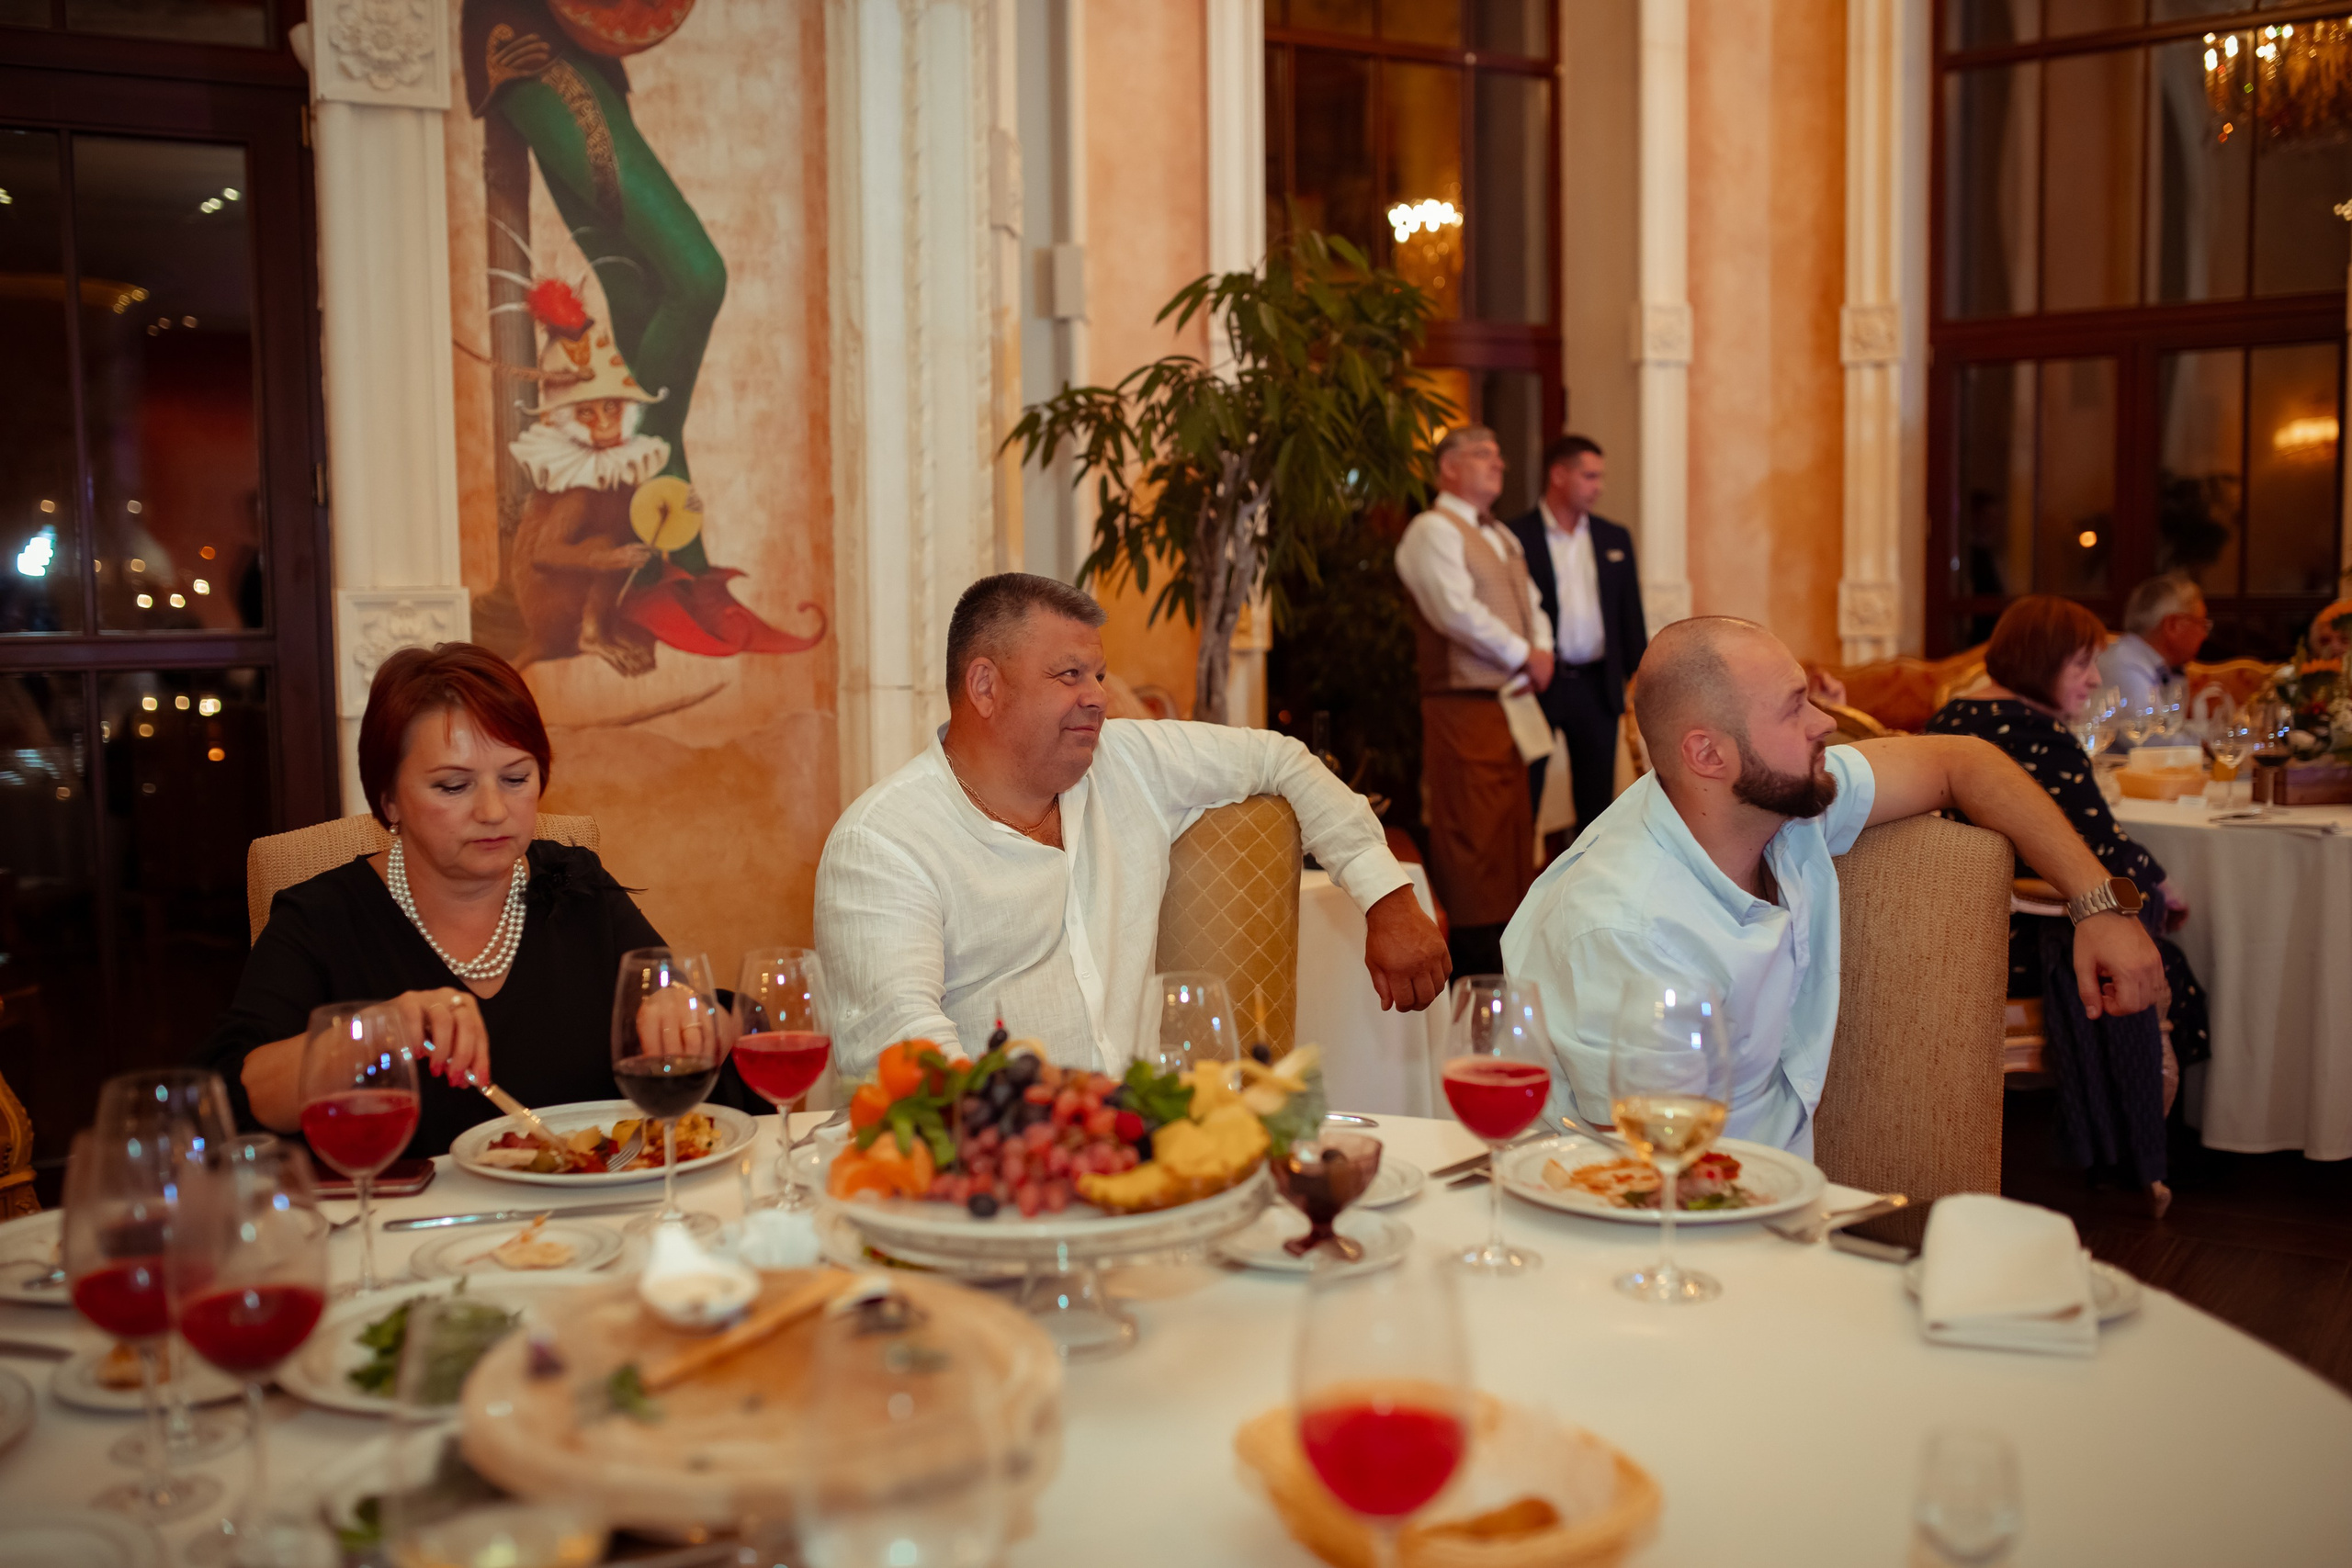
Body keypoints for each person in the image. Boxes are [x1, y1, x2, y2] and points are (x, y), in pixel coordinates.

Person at [1502, 615, 2165, 1157]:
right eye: (1794, 708)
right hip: (1662, 1234)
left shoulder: (1776, 807)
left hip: (1771, 1201)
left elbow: (1962, 760)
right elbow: (1647, 1180)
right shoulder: (1625, 927)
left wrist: (2097, 904)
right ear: (1708, 754)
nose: (1824, 721)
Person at [814, 573, 1450, 1077]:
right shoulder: (884, 843)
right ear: (985, 686)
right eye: (1069, 675)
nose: (1097, 695)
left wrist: (1386, 896)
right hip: (981, 1167)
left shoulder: (1127, 761)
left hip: (1137, 1147)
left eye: (1097, 674)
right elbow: (904, 1054)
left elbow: (1281, 759)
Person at [199, 643, 738, 1158]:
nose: (493, 811)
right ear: (389, 799)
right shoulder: (322, 917)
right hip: (405, 1219)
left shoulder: (576, 886)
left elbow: (718, 1021)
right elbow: (232, 1092)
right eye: (453, 787)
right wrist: (378, 1031)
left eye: (516, 778)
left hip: (587, 1211)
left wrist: (696, 1018)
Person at [1928, 596, 2211, 1213]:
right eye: (2081, 663)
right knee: (2170, 970)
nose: (2093, 678)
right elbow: (2100, 849)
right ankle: (2153, 1147)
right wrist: (2162, 886)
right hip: (2019, 940)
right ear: (2040, 661)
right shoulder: (2035, 733)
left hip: (1955, 927)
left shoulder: (1952, 718)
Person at [1393, 425, 1555, 976]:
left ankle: (1510, 956)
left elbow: (1533, 603)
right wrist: (1523, 655)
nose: (1498, 463)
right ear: (1448, 468)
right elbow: (1455, 612)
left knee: (1510, 832)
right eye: (1483, 455)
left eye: (1499, 454)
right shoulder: (1432, 530)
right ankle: (1469, 965)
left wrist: (1543, 651)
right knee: (1472, 834)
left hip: (1510, 704)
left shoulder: (1502, 534)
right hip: (1462, 704)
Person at [1504, 434, 1647, 846]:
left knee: (1597, 803)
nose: (1598, 486)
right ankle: (1521, 879)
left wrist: (1639, 675)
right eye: (1589, 476)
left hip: (1596, 684)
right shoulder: (1515, 537)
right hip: (1539, 683)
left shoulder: (1613, 537)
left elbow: (1629, 613)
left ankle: (1589, 878)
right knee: (1524, 793)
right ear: (1558, 475)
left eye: (1600, 477)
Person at [2098, 572, 2210, 715]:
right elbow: (2151, 728)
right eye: (2201, 624)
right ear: (2172, 625)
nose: (2204, 635)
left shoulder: (2167, 667)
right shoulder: (2128, 669)